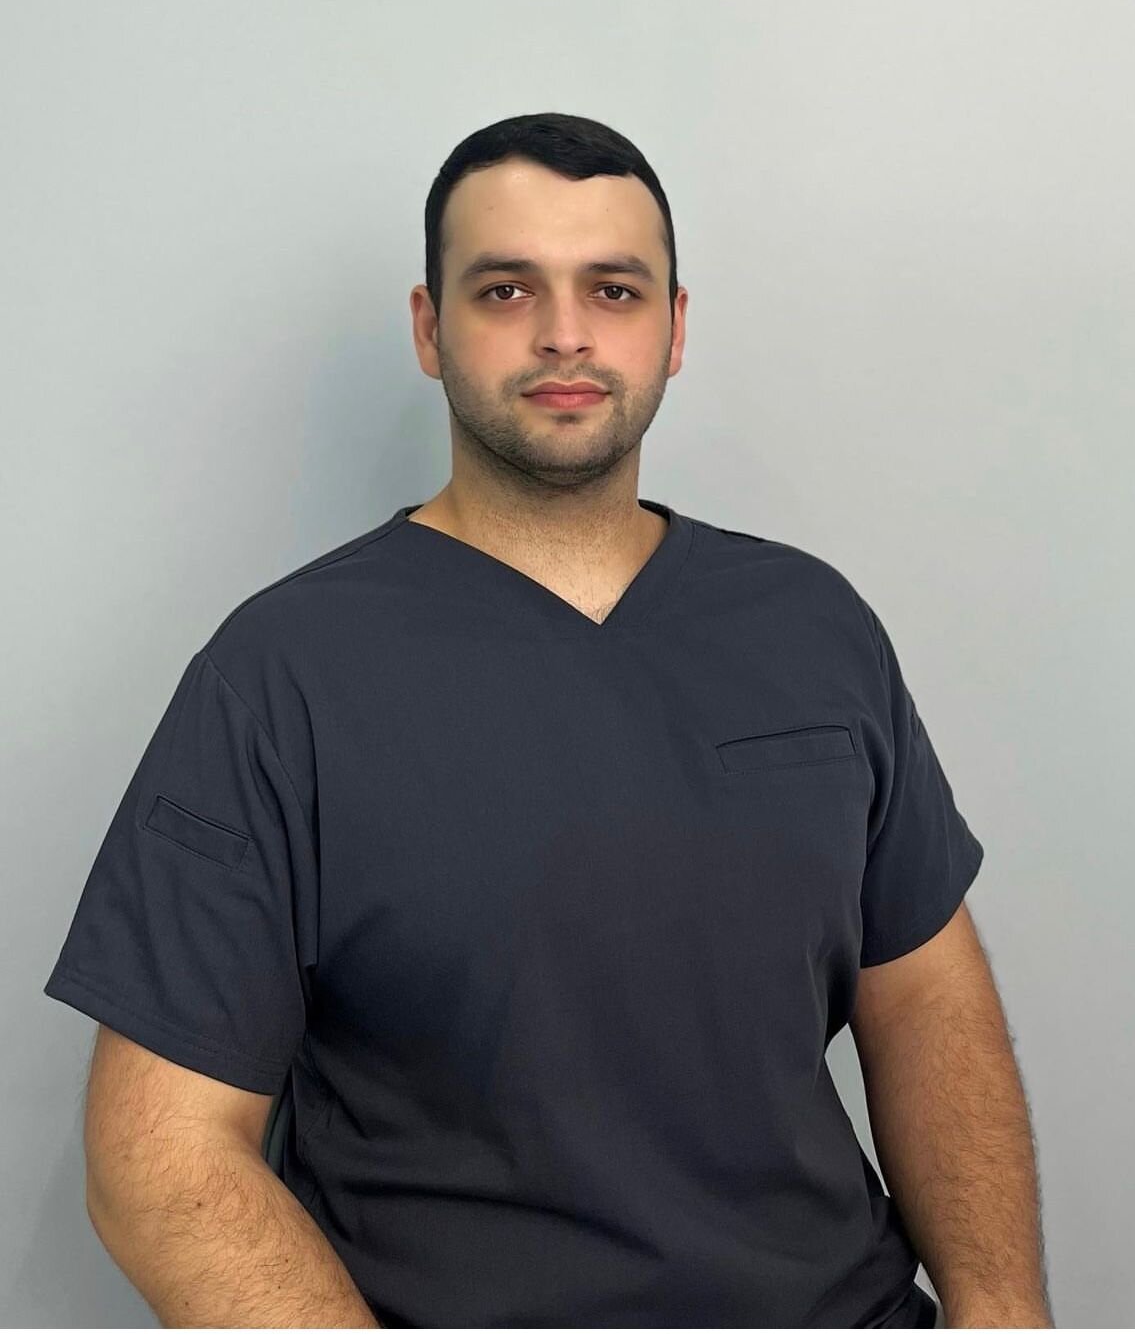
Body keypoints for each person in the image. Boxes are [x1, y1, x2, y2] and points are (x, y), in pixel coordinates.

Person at [45, 112, 1042, 1328]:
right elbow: (160, 1163)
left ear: (674, 328)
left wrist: (1003, 1313)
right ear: (430, 329)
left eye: (613, 290)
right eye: (506, 288)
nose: (565, 332)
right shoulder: (281, 676)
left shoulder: (812, 628)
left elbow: (929, 1002)